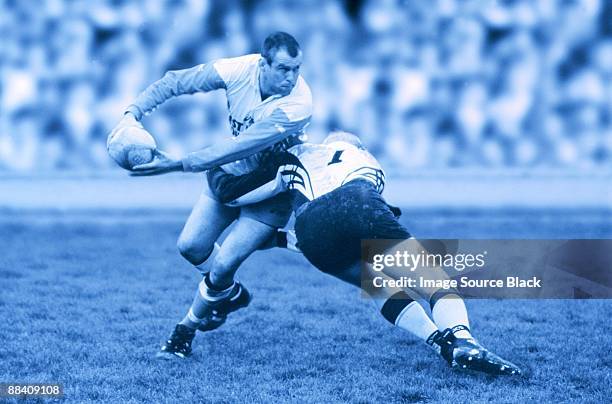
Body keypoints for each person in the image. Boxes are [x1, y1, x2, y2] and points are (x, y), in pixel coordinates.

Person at [228, 131, 522, 376]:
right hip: (358, 202)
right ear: (356, 145)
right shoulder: (364, 158)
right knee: (431, 280)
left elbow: (236, 195)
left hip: (310, 228)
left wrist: (221, 175)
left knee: (375, 284)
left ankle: (439, 344)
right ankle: (463, 340)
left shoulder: (300, 155)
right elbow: (364, 212)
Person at [108, 32, 312, 359]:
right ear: (263, 64)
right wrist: (133, 112)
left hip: (270, 186)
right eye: (283, 69)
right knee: (191, 247)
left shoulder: (298, 106)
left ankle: (183, 333)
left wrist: (176, 164)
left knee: (224, 264)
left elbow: (237, 146)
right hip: (230, 174)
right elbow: (176, 81)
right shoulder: (237, 70)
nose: (291, 77)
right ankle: (230, 293)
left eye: (296, 69)